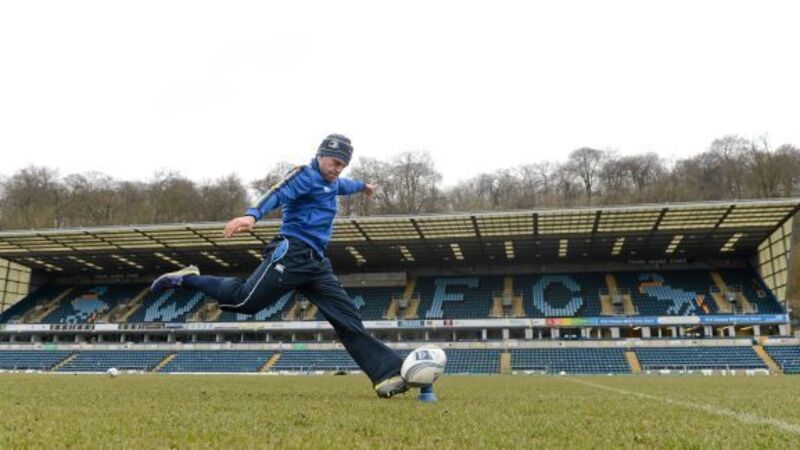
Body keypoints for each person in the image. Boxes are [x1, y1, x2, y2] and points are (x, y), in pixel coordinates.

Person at [150, 134, 407, 398]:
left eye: (343, 165)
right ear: (320, 155)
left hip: (317, 265)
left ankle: (389, 374)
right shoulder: (304, 175)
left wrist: (363, 187)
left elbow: (346, 184)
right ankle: (188, 278)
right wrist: (252, 215)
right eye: (334, 162)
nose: (338, 169)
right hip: (292, 253)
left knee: (347, 319)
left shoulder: (333, 182)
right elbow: (278, 192)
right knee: (243, 301)